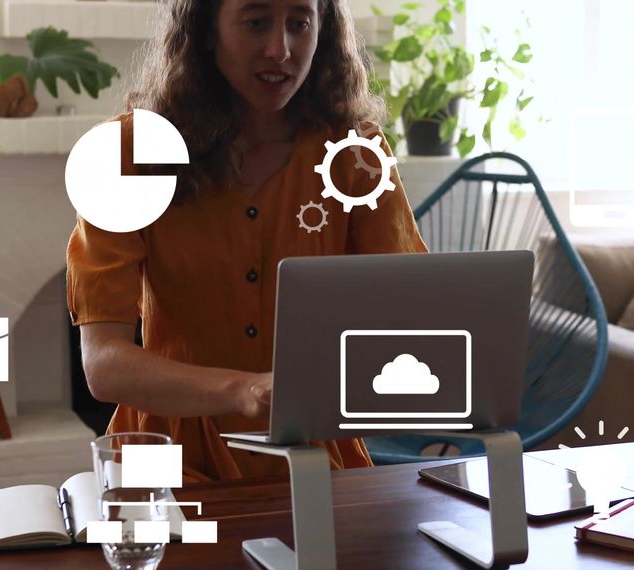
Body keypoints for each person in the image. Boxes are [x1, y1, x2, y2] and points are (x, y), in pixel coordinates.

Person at [66, 0, 427, 483]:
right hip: (164, 459)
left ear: (323, 31)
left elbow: (408, 318)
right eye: (256, 23)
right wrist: (243, 390)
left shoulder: (358, 154)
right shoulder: (126, 153)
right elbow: (103, 365)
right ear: (205, 30)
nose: (281, 49)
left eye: (300, 24)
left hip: (311, 456)